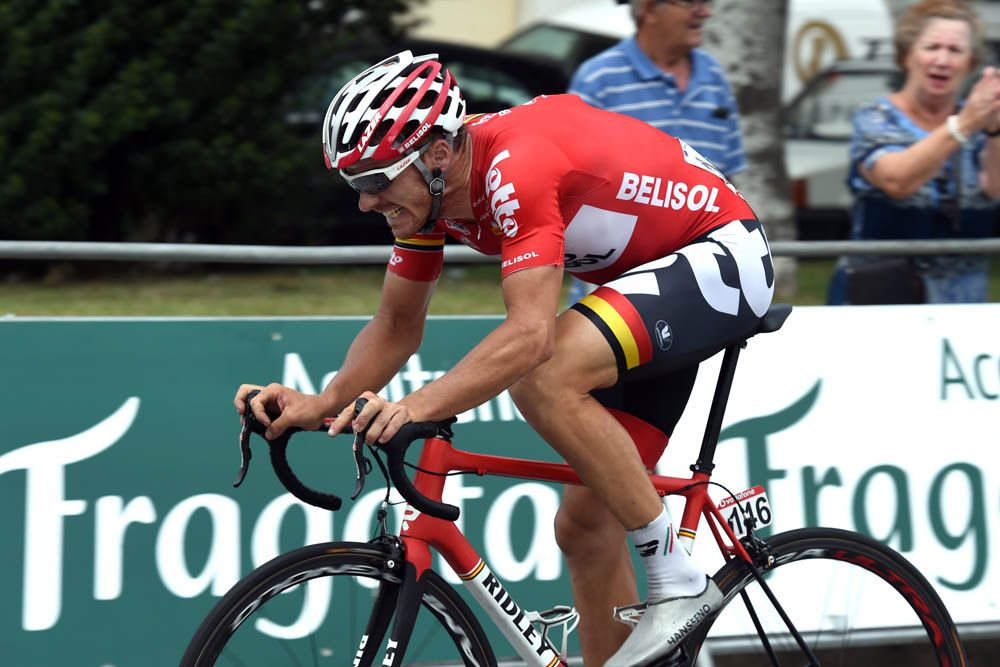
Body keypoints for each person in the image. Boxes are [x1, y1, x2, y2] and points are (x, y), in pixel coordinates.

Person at [236, 50, 774, 666]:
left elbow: (529, 338)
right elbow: (395, 326)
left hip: (721, 255)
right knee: (585, 528)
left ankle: (678, 583)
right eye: (356, 184)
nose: (365, 202)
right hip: (651, 280)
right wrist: (322, 405)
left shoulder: (515, 167)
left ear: (437, 155)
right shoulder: (428, 198)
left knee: (543, 376)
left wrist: (413, 406)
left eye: (375, 181)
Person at [566, 0, 746, 304]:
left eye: (707, 2)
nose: (705, 12)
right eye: (692, 2)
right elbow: (570, 184)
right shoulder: (599, 78)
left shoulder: (714, 75)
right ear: (649, 10)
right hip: (619, 286)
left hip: (703, 283)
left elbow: (729, 181)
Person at [827, 0, 1000, 305]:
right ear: (907, 55)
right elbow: (897, 181)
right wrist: (963, 126)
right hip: (882, 300)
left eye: (955, 50)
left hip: (963, 302)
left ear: (971, 64)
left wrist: (994, 130)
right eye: (932, 47)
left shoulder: (978, 122)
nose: (943, 60)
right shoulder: (876, 117)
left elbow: (995, 187)